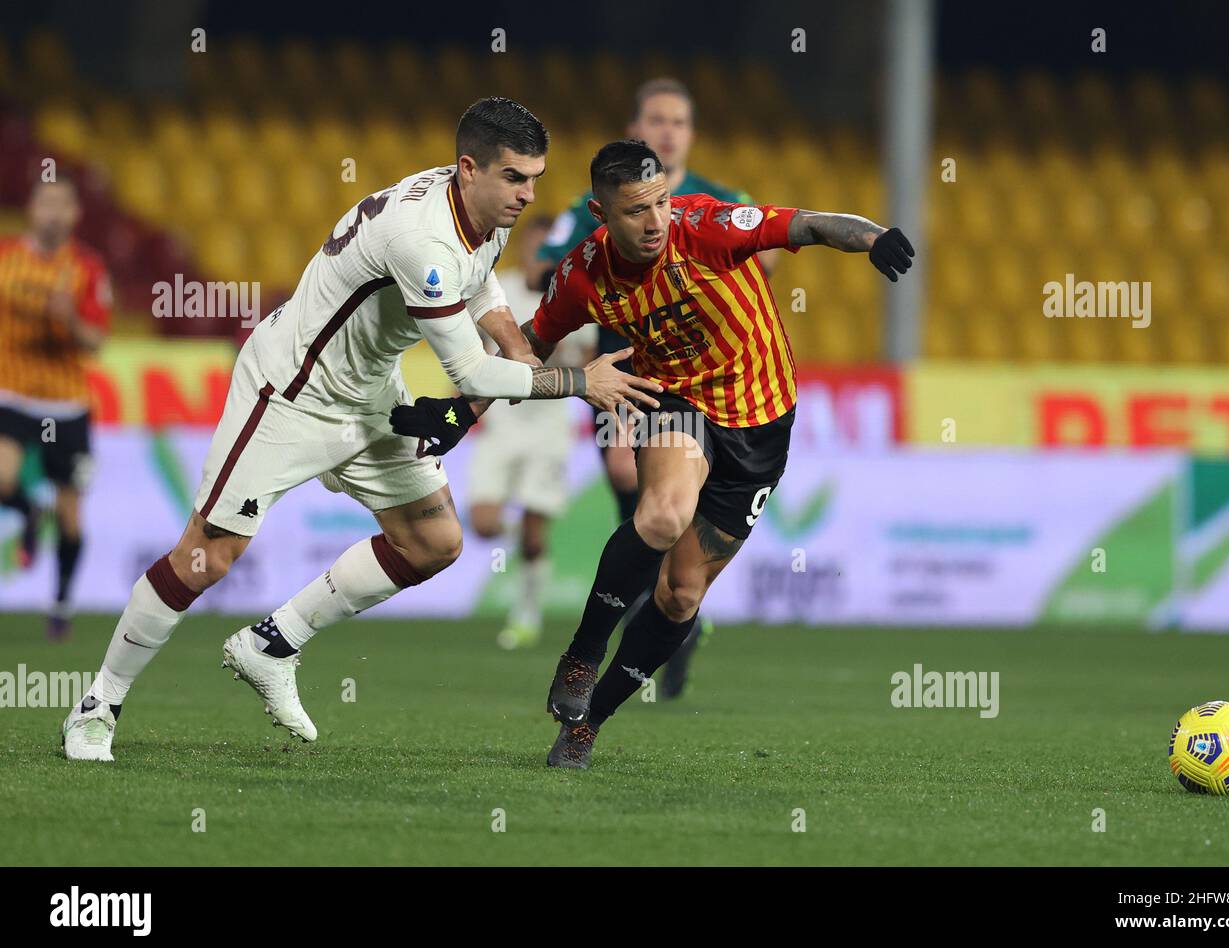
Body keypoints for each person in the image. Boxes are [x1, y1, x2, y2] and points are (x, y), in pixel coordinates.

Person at [60, 98, 660, 762]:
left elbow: (481, 284)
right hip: (290, 392)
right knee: (206, 557)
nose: (530, 193)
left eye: (536, 178)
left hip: (372, 395)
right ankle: (97, 705)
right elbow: (466, 370)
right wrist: (581, 382)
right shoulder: (421, 237)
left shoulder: (481, 211)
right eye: (517, 177)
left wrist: (517, 344)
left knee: (433, 541)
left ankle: (273, 642)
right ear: (469, 168)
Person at [521, 139, 914, 768]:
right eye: (634, 211)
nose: (653, 222)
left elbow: (808, 224)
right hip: (678, 403)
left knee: (681, 596)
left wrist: (872, 238)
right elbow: (525, 351)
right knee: (663, 515)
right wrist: (459, 410)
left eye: (659, 203)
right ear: (601, 214)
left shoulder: (706, 224)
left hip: (762, 423)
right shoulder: (582, 276)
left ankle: (590, 720)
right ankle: (582, 654)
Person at [535, 78, 763, 697]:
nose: (668, 130)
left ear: (690, 133)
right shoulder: (604, 198)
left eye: (679, 121)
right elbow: (546, 263)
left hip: (707, 383)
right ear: (638, 128)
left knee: (667, 510)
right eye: (656, 119)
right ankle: (649, 602)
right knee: (630, 483)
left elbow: (760, 255)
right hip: (624, 373)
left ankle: (669, 606)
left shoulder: (717, 199)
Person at [466, 215, 597, 649]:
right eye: (537, 250)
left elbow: (592, 366)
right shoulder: (498, 289)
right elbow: (469, 351)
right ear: (524, 250)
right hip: (501, 424)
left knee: (536, 531)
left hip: (549, 428)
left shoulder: (579, 302)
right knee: (483, 524)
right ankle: (520, 543)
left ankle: (526, 614)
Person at [0, 179, 112, 641]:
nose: (52, 213)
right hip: (13, 395)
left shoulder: (87, 268)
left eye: (61, 205)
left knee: (71, 515)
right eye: (44, 203)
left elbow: (97, 342)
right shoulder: (6, 257)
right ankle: (28, 513)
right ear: (31, 209)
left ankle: (62, 601)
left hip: (66, 405)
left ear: (74, 214)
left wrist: (69, 320)